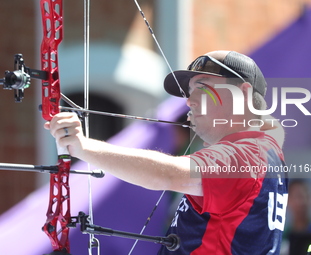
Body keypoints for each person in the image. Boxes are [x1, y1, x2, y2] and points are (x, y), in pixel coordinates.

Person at [45, 50, 288, 254]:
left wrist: (83, 147)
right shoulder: (263, 151)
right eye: (189, 92)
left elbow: (170, 175)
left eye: (202, 88)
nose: (189, 101)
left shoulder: (248, 154)